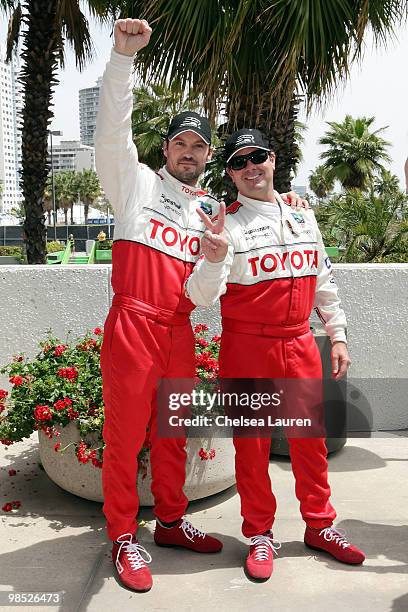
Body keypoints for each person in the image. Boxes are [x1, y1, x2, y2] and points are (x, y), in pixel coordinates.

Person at [95, 19, 306, 593]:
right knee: (125, 434)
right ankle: (122, 537)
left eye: (199, 145)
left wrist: (214, 257)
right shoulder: (134, 183)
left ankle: (168, 522)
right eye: (180, 143)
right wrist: (121, 59)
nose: (189, 152)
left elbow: (202, 295)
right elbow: (112, 132)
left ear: (209, 155)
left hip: (178, 328)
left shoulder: (209, 212)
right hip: (134, 321)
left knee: (173, 430)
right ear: (165, 148)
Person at [186, 128, 365, 580]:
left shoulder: (304, 215)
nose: (251, 168)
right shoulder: (222, 223)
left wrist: (337, 334)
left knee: (311, 446)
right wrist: (212, 257)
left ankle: (320, 526)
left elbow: (323, 282)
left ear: (273, 159)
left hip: (301, 342)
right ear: (229, 173)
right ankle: (260, 536)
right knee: (253, 450)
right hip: (248, 347)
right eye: (239, 162)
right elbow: (202, 296)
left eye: (258, 157)